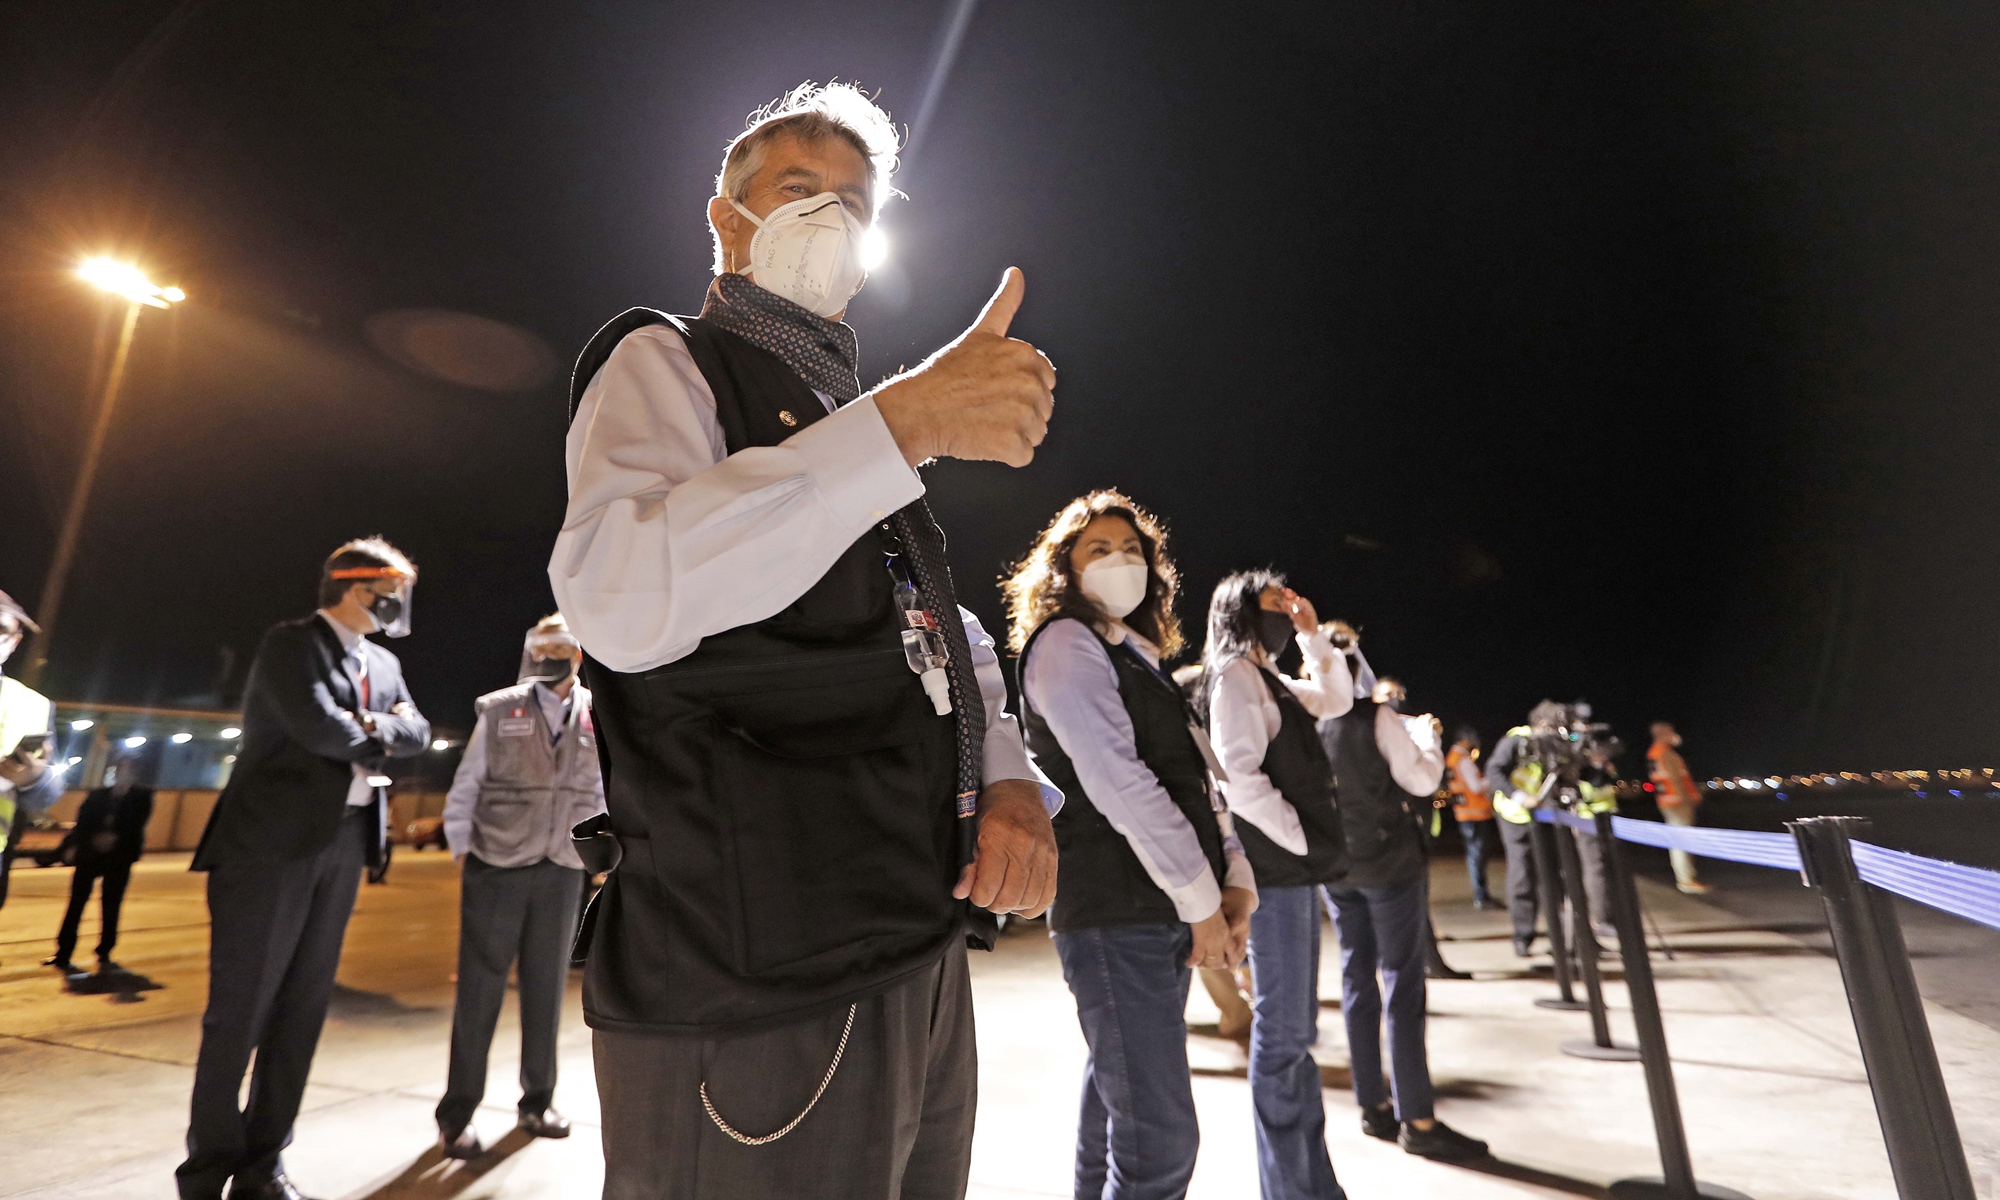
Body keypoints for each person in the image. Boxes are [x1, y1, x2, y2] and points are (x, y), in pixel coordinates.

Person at [547, 83, 1060, 1200]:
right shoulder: (670, 363)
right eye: (796, 190)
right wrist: (906, 422)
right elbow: (620, 600)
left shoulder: (850, 429)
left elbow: (934, 628)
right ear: (726, 222)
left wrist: (1010, 781)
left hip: (907, 939)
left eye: (854, 201)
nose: (829, 215)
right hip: (752, 967)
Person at [1006, 490, 1256, 1200]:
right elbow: (1121, 785)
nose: (1121, 561)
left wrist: (1234, 876)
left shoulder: (1137, 658)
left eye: (1132, 549)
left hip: (1155, 912)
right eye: (1099, 549)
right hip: (1117, 914)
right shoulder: (1064, 644)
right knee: (1161, 1145)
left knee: (1115, 1116)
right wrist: (1203, 901)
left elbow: (1198, 780)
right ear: (1064, 569)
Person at [177, 538, 431, 1200]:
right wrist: (383, 727)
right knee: (242, 1011)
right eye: (395, 587)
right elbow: (322, 730)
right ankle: (207, 1171)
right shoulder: (290, 644)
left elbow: (420, 733)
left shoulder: (384, 662)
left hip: (345, 844)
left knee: (302, 1011)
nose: (401, 602)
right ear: (358, 586)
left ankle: (263, 1167)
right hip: (269, 850)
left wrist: (368, 724)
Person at [1201, 570, 1352, 1200]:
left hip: (1291, 868)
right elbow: (1238, 774)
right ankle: (1292, 1189)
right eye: (1272, 607)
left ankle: (1308, 1184)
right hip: (1276, 871)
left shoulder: (1266, 677)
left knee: (1294, 1032)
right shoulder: (1236, 675)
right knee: (1285, 1032)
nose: (1283, 616)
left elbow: (1337, 698)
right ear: (1239, 612)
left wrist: (1315, 637)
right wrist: (1298, 836)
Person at [434, 614, 605, 1158]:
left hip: (561, 864)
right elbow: (469, 780)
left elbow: (601, 787)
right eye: (542, 644)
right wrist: (463, 842)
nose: (550, 653)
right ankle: (457, 1111)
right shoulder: (501, 706)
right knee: (479, 990)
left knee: (545, 986)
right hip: (497, 860)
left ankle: (538, 1100)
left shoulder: (597, 713)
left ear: (579, 653)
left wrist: (598, 852)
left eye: (561, 645)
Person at [1315, 667, 1486, 1161]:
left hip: (1337, 866)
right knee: (1402, 988)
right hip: (1388, 866)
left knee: (1355, 981)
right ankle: (1419, 1120)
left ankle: (1372, 1105)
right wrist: (1428, 739)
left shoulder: (1305, 717)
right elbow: (1423, 777)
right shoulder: (1374, 718)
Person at [47, 747, 155, 975]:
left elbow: (135, 825)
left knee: (111, 904)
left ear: (135, 773)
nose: (121, 773)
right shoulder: (97, 796)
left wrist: (113, 838)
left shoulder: (142, 797)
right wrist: (85, 842)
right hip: (91, 855)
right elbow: (82, 823)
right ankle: (63, 952)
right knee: (76, 903)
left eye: (126, 769)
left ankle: (104, 949)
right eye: (118, 769)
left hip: (119, 857)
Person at [0, 589, 62, 927]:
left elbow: (52, 790)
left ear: (13, 643)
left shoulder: (34, 705)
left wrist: (33, 779)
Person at [1484, 702, 1563, 957]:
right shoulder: (1515, 741)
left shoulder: (1553, 745)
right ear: (1541, 725)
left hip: (1544, 815)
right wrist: (1518, 796)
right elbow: (1493, 772)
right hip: (1514, 815)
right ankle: (1523, 935)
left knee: (1552, 877)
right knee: (1523, 876)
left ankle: (1560, 937)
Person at [1648, 722, 1709, 894]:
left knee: (1678, 841)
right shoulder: (1665, 754)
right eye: (1671, 732)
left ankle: (1685, 878)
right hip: (1678, 803)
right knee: (1682, 842)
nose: (1674, 735)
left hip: (1667, 802)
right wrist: (1688, 798)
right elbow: (1676, 779)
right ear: (1662, 734)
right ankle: (1686, 880)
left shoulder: (1654, 753)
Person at [1445, 727, 1496, 909]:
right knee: (1477, 856)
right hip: (1475, 814)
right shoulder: (1464, 761)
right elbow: (1475, 787)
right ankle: (1481, 896)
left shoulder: (1451, 758)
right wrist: (1492, 779)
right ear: (1464, 741)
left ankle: (1481, 895)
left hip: (1464, 812)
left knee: (1474, 855)